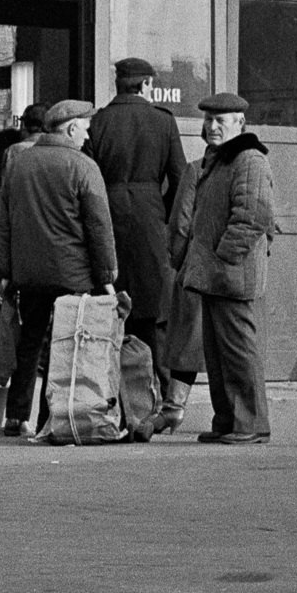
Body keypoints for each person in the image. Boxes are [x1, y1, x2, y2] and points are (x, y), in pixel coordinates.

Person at [0, 99, 117, 438]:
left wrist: (4, 270)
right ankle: (52, 418)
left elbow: (3, 222)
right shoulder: (83, 166)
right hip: (72, 273)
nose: (87, 137)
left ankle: (16, 416)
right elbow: (99, 227)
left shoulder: (19, 163)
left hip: (28, 273)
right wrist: (106, 276)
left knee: (29, 341)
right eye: (85, 129)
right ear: (72, 128)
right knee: (64, 346)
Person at [85, 56, 191, 434]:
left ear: (118, 85)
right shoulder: (163, 121)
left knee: (110, 309)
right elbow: (180, 178)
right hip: (148, 221)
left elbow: (88, 178)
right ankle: (160, 400)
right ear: (147, 85)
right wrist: (161, 214)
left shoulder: (97, 121)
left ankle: (109, 395)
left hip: (108, 218)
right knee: (153, 315)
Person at [173, 92, 274, 445]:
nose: (211, 126)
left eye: (220, 120)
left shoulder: (249, 160)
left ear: (240, 124)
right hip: (216, 275)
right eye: (207, 120)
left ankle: (251, 425)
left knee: (238, 351)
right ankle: (228, 421)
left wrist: (224, 257)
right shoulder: (218, 160)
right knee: (217, 354)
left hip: (232, 275)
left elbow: (253, 215)